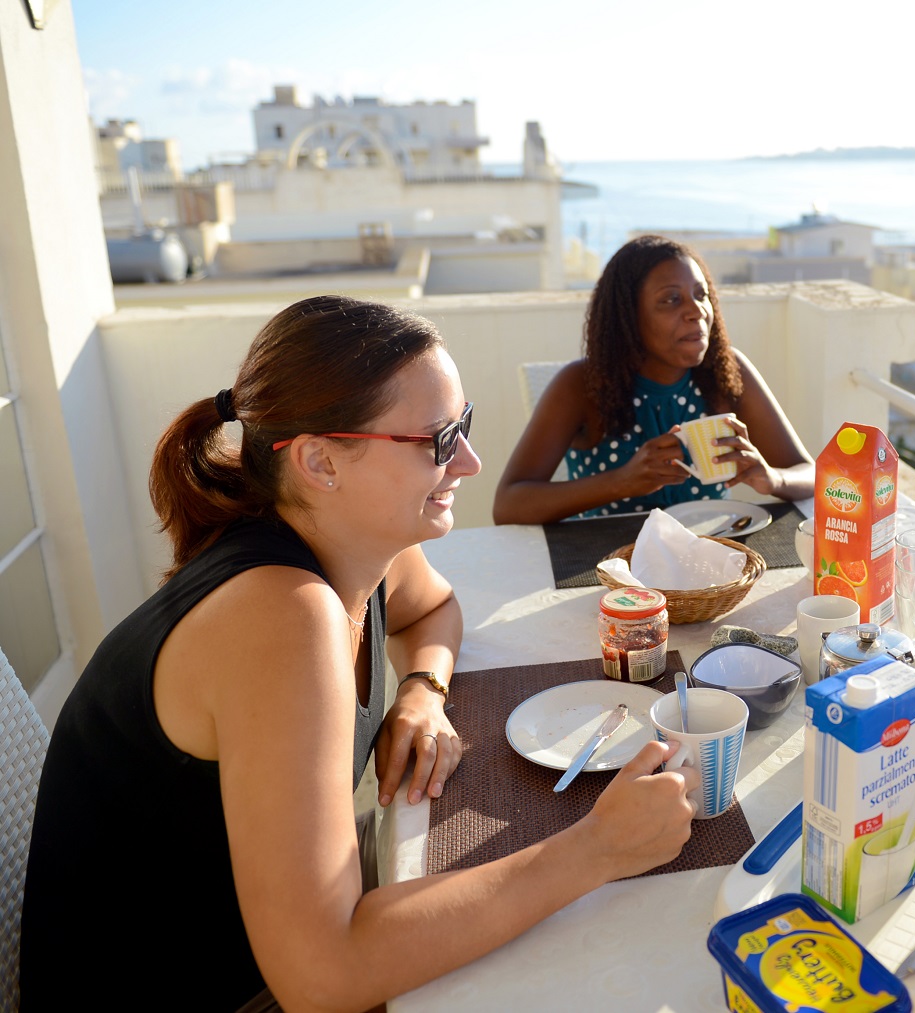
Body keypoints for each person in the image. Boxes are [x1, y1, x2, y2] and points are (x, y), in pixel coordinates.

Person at [20, 295, 696, 1011]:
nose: (468, 460)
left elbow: (433, 607)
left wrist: (423, 690)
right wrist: (597, 848)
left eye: (462, 426)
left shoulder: (347, 545)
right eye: (438, 439)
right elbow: (325, 975)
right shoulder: (282, 614)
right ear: (319, 460)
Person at [492, 235, 814, 524]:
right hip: (609, 569)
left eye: (700, 295)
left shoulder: (726, 371)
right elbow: (509, 505)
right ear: (629, 317)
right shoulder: (580, 385)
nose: (697, 311)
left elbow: (812, 473)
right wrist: (622, 481)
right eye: (671, 299)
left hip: (707, 564)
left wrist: (772, 479)